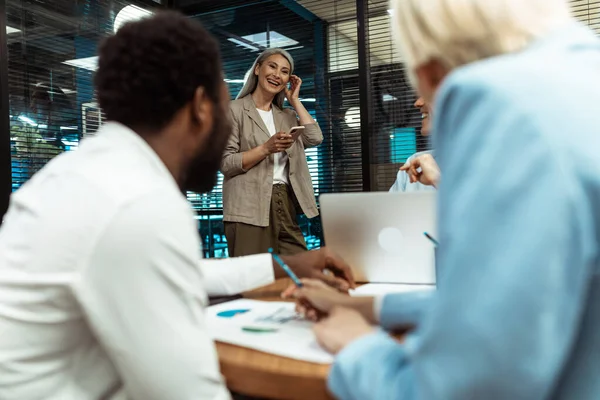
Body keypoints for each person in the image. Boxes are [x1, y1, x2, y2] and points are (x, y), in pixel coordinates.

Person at [0, 13, 354, 400]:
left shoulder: (94, 171)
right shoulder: (138, 203)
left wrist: (282, 265)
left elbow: (178, 273)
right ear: (202, 107)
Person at [287, 0, 600, 398]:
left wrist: (358, 344)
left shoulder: (512, 113)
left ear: (430, 69)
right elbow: (509, 305)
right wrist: (370, 309)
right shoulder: (581, 80)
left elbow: (456, 391)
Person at [221, 48, 323, 257]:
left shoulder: (287, 116)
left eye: (284, 71)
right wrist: (266, 149)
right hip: (247, 206)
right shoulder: (233, 110)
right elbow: (226, 163)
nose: (277, 74)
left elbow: (315, 138)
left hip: (283, 201)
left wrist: (294, 99)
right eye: (272, 66)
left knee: (299, 270)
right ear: (258, 69)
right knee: (254, 281)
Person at [389, 97, 437, 192]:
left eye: (429, 94)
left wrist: (437, 180)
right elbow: (390, 206)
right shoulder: (414, 164)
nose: (417, 103)